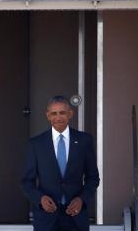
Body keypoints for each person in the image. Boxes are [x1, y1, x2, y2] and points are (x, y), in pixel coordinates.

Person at [21, 95, 100, 231]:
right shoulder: (36, 144)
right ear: (48, 116)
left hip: (76, 216)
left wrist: (82, 199)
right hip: (46, 218)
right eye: (54, 113)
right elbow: (27, 181)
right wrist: (41, 199)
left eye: (62, 113)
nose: (58, 117)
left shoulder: (84, 140)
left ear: (70, 114)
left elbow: (93, 178)